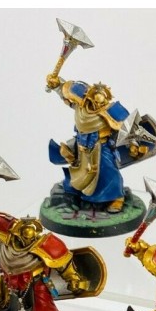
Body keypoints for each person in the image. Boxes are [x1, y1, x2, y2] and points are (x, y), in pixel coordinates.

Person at [46, 76, 138, 212]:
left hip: (102, 146)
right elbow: (66, 95)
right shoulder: (81, 107)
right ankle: (82, 194)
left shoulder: (111, 111)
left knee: (109, 171)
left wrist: (133, 144)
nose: (97, 105)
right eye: (94, 101)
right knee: (82, 170)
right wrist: (57, 85)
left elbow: (128, 128)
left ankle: (117, 198)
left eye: (100, 102)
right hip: (82, 145)